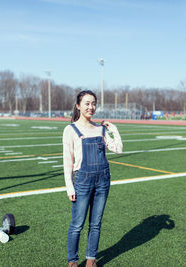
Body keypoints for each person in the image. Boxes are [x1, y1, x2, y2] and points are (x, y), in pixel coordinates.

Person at [63, 90, 123, 267]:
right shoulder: (70, 129)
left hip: (103, 181)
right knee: (77, 225)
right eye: (87, 103)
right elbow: (68, 160)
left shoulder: (100, 129)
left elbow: (118, 149)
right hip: (82, 181)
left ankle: (91, 259)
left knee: (95, 223)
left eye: (94, 103)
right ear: (78, 106)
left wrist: (113, 129)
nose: (91, 107)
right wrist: (69, 186)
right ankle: (73, 261)